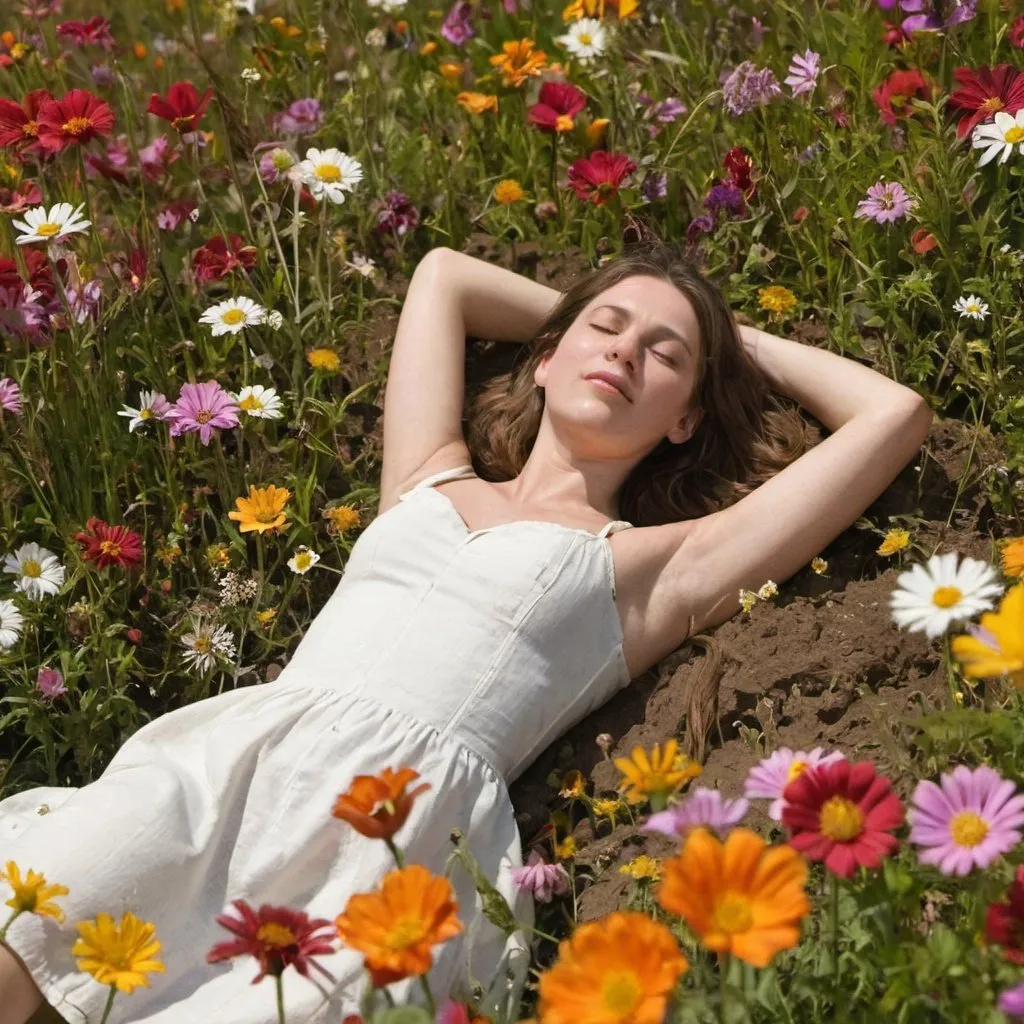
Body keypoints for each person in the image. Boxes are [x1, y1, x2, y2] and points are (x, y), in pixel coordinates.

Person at [0, 241, 933, 1023]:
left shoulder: (660, 567)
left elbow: (892, 415)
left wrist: (732, 341)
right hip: (226, 768)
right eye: (605, 331)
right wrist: (610, 321)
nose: (625, 353)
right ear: (546, 355)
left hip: (392, 844)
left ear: (686, 416)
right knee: (33, 921)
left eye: (665, 355)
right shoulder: (428, 477)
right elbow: (443, 274)